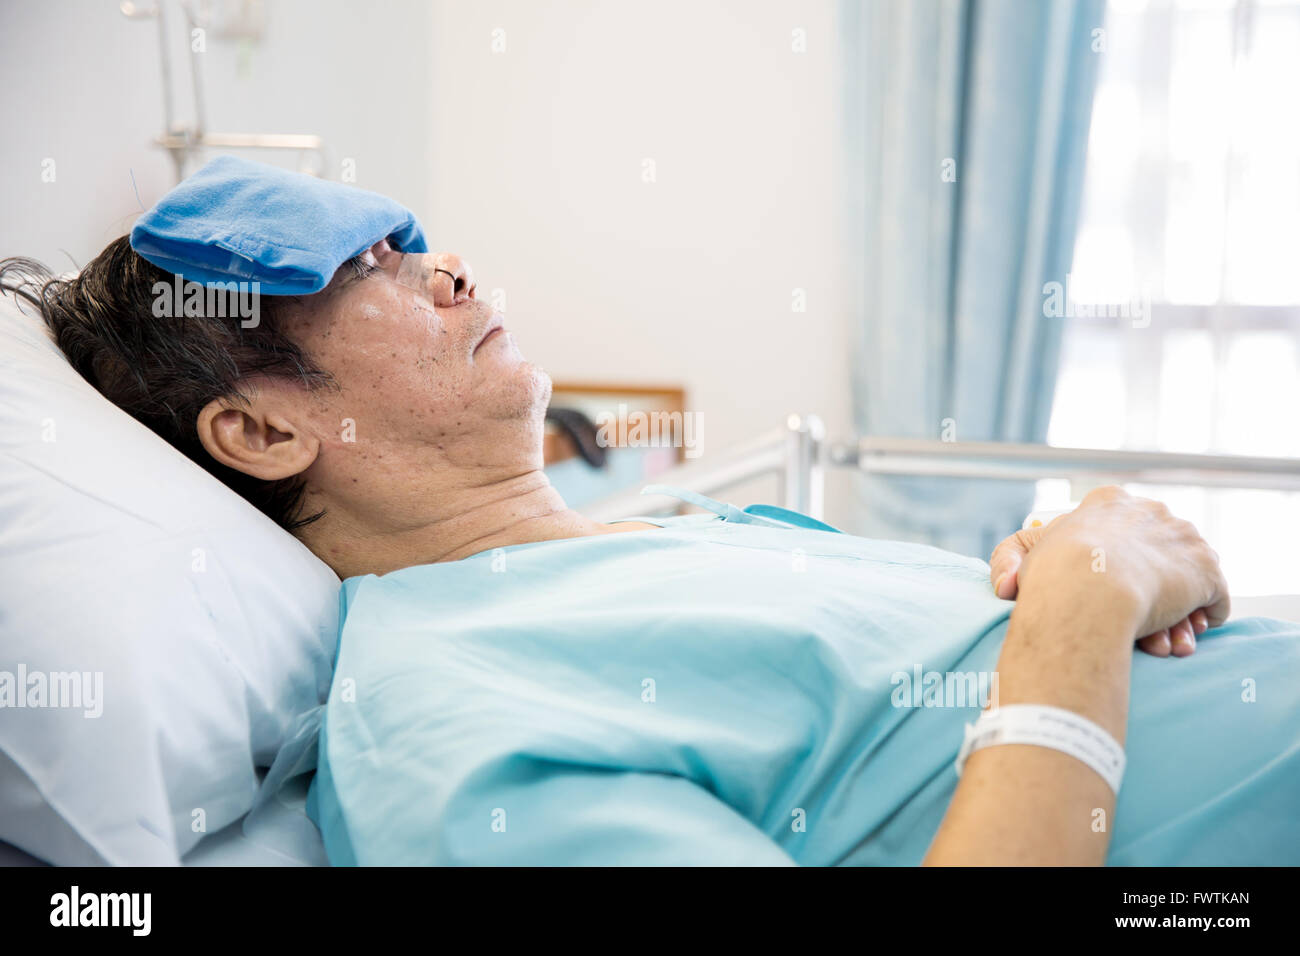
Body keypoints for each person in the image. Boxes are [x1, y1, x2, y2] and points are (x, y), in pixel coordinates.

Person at [1, 232, 1293, 867]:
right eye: (362, 268)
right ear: (264, 430)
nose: (444, 266)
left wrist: (1096, 566)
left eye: (409, 237)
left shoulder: (677, 540)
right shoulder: (445, 723)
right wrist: (1085, 597)